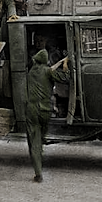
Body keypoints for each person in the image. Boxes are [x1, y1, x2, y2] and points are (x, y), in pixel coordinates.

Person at [26, 49, 70, 183]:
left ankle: (38, 172)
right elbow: (65, 78)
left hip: (32, 109)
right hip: (45, 109)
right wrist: (65, 65)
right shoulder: (48, 71)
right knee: (41, 134)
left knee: (34, 140)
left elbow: (46, 70)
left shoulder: (32, 71)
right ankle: (42, 142)